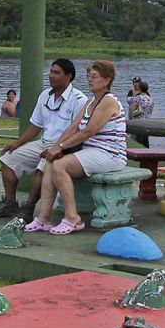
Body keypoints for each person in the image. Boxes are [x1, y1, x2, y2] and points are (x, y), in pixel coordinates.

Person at [25, 59, 127, 235]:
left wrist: (60, 147)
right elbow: (72, 128)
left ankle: (73, 218)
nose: (89, 80)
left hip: (110, 155)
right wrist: (55, 148)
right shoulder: (89, 102)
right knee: (52, 162)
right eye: (89, 76)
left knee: (60, 164)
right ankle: (43, 218)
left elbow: (88, 132)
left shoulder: (108, 101)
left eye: (94, 76)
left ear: (107, 80)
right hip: (92, 152)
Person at [0, 58, 88, 220]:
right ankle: (10, 203)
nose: (51, 76)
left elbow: (77, 131)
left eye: (57, 73)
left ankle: (28, 208)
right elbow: (36, 126)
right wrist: (17, 144)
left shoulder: (79, 99)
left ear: (68, 76)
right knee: (7, 160)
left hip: (64, 146)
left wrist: (58, 147)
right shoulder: (44, 96)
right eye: (51, 71)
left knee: (42, 169)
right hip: (43, 142)